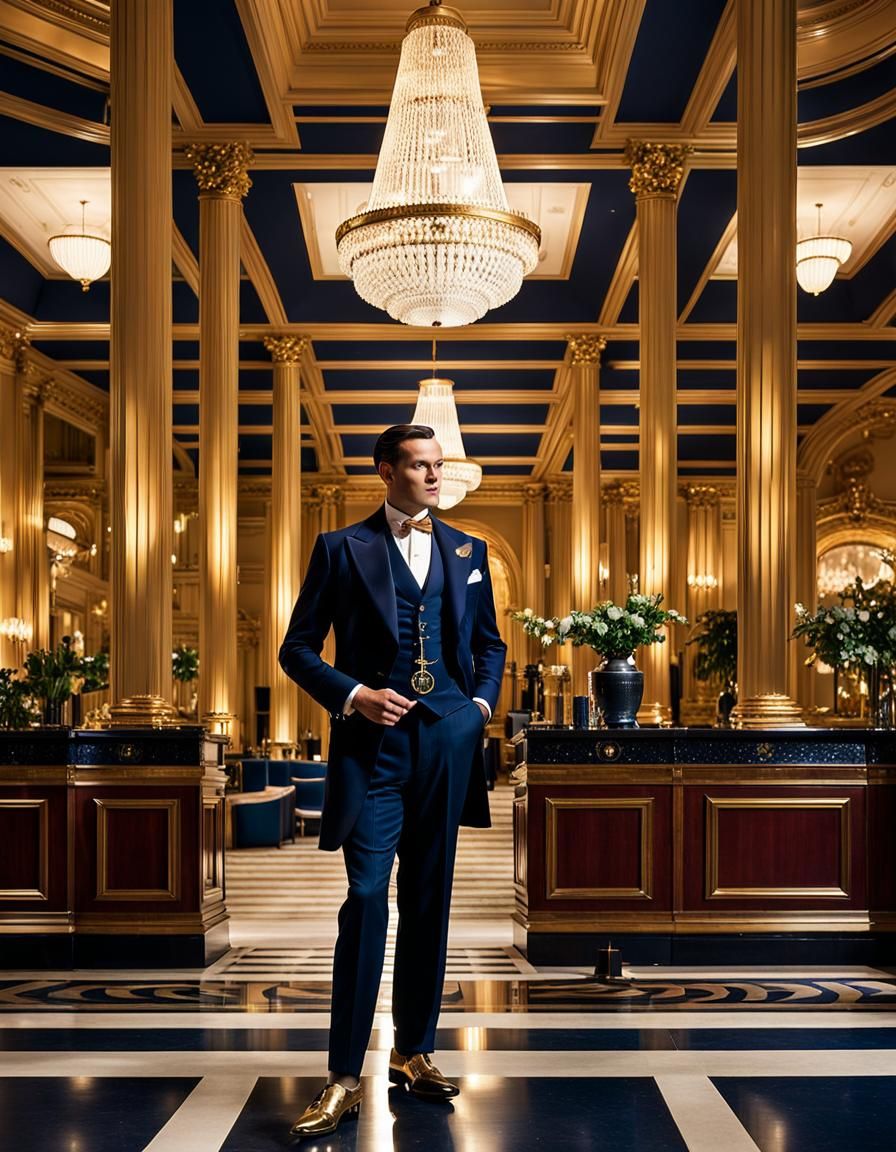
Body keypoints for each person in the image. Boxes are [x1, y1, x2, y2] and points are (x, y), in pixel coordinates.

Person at [279, 424, 507, 1138]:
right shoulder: (341, 547)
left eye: (439, 465)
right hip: (372, 752)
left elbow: (489, 644)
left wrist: (476, 709)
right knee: (369, 897)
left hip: (448, 739)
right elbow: (295, 649)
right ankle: (344, 1075)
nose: (434, 476)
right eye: (419, 465)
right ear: (386, 471)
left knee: (431, 900)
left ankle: (414, 1050)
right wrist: (353, 695)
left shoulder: (469, 551)